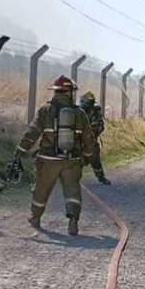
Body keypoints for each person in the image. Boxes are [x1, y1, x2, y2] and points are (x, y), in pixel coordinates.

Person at [13, 75, 95, 236]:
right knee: (73, 191)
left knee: (41, 190)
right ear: (71, 93)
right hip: (72, 161)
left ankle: (35, 218)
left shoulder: (45, 110)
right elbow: (89, 139)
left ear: (56, 92)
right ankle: (73, 221)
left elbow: (32, 133)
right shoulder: (80, 113)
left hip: (48, 161)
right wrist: (87, 156)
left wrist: (20, 151)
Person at [79, 91, 111, 185]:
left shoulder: (96, 112)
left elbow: (100, 126)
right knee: (74, 158)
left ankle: (101, 177)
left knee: (95, 158)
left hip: (90, 139)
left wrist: (92, 131)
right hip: (77, 139)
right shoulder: (77, 111)